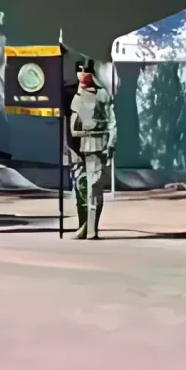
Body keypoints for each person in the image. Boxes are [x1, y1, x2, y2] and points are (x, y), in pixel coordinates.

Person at [67, 58, 115, 240]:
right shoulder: (78, 98)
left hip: (98, 144)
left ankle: (92, 227)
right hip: (81, 147)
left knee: (95, 187)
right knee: (82, 188)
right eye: (79, 70)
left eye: (85, 70)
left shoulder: (102, 94)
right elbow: (73, 128)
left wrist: (110, 143)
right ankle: (85, 226)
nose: (82, 74)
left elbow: (112, 121)